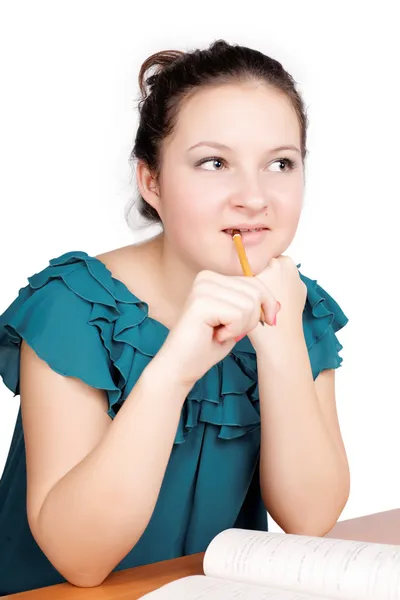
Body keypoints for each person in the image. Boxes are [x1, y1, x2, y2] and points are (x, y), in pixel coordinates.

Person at [0, 40, 350, 595]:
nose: (254, 198)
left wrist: (280, 346)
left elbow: (309, 519)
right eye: (214, 162)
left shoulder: (302, 308)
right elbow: (81, 562)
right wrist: (174, 370)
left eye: (280, 163)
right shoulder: (74, 306)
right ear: (152, 182)